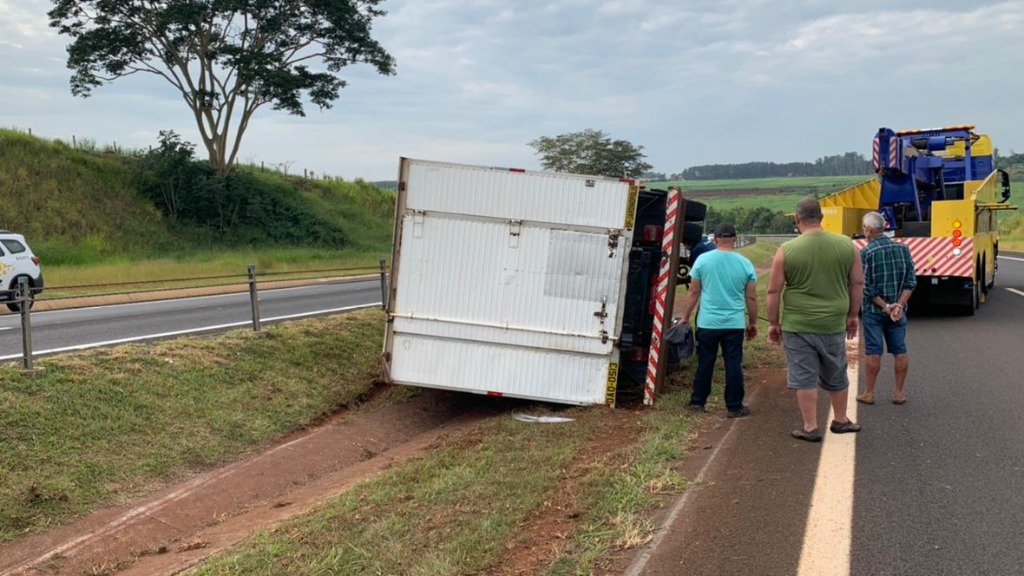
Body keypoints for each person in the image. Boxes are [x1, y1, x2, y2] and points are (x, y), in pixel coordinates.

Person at [766, 198, 865, 442]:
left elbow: (773, 291)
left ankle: (810, 427)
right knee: (836, 369)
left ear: (797, 219)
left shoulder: (786, 250)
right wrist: (853, 315)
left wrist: (773, 323)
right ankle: (840, 420)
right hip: (832, 323)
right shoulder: (847, 245)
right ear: (821, 217)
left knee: (803, 375)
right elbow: (857, 283)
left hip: (797, 324)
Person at [678, 222, 758, 417]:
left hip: (707, 323)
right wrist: (753, 322)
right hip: (734, 323)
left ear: (715, 239)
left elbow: (693, 292)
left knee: (705, 362)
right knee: (733, 364)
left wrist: (685, 317)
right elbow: (751, 297)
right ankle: (734, 406)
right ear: (735, 238)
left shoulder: (703, 260)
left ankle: (698, 402)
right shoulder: (745, 263)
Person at [857, 211, 916, 405]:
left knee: (874, 351)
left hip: (874, 311)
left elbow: (866, 287)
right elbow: (910, 282)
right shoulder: (903, 249)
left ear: (868, 230)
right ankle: (899, 393)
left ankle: (869, 393)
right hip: (898, 312)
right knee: (900, 350)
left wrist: (886, 306)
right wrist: (899, 305)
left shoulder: (866, 253)